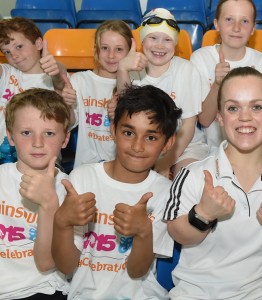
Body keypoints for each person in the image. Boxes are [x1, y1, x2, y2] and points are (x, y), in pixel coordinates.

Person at [164, 67, 262, 299]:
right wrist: (203, 214)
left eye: (256, 107)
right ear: (219, 116)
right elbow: (178, 233)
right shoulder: (192, 174)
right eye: (233, 108)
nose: (245, 117)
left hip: (258, 295)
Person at [51, 85, 182, 299]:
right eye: (129, 132)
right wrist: (61, 223)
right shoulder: (82, 178)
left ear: (167, 143)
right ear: (113, 130)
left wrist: (143, 232)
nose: (137, 146)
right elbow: (66, 266)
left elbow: (137, 271)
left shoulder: (165, 192)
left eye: (150, 137)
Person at [117, 8, 208, 178]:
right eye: (153, 38)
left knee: (188, 178)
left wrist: (165, 163)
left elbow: (187, 127)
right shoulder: (131, 69)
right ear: (143, 41)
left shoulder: (187, 70)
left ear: (174, 44)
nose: (160, 45)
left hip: (185, 146)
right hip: (142, 144)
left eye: (167, 40)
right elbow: (123, 113)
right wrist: (122, 69)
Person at [0, 88, 71, 299]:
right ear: (10, 137)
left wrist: (49, 204)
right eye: (26, 132)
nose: (37, 142)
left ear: (65, 139)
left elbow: (47, 263)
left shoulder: (70, 189)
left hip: (42, 288)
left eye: (49, 133)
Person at [191, 0, 262, 158]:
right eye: (229, 19)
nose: (236, 28)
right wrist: (218, 85)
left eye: (244, 21)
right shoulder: (201, 59)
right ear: (217, 24)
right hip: (216, 151)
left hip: (261, 149)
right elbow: (204, 120)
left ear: (253, 28)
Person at [62, 20, 132, 168]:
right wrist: (66, 105)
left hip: (123, 168)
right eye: (105, 48)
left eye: (119, 49)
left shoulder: (136, 83)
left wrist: (120, 113)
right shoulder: (80, 81)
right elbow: (68, 123)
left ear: (130, 51)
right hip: (86, 167)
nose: (111, 55)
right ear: (96, 50)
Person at [0, 17, 67, 141]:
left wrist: (57, 69)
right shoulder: (8, 72)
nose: (14, 55)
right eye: (7, 52)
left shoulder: (53, 76)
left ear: (38, 44)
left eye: (19, 46)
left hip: (42, 155)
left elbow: (60, 77)